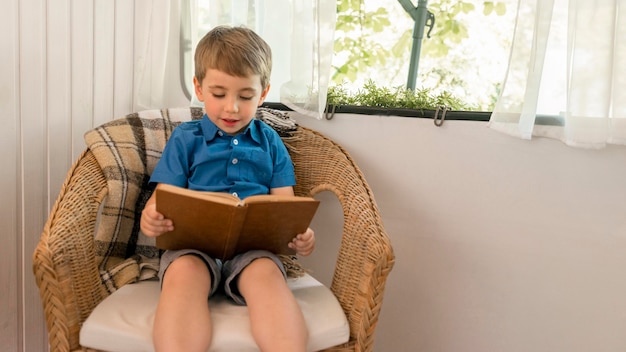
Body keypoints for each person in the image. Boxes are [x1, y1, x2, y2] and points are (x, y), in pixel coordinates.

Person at [140, 25, 315, 352]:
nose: (231, 108)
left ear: (263, 93)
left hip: (254, 250)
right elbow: (162, 200)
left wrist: (300, 234)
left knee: (267, 277)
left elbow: (286, 210)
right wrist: (151, 218)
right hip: (191, 247)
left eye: (245, 96)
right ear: (199, 88)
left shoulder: (271, 142)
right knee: (183, 274)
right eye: (219, 94)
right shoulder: (185, 138)